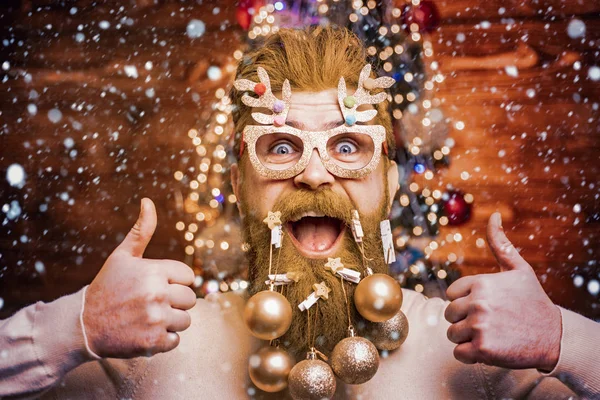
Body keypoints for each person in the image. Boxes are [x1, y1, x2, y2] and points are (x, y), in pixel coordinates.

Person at [1, 27, 599, 400]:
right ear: (239, 184)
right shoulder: (154, 353)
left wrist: (563, 340)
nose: (314, 175)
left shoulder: (474, 357)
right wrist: (70, 327)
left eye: (347, 147)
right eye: (281, 148)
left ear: (388, 183)